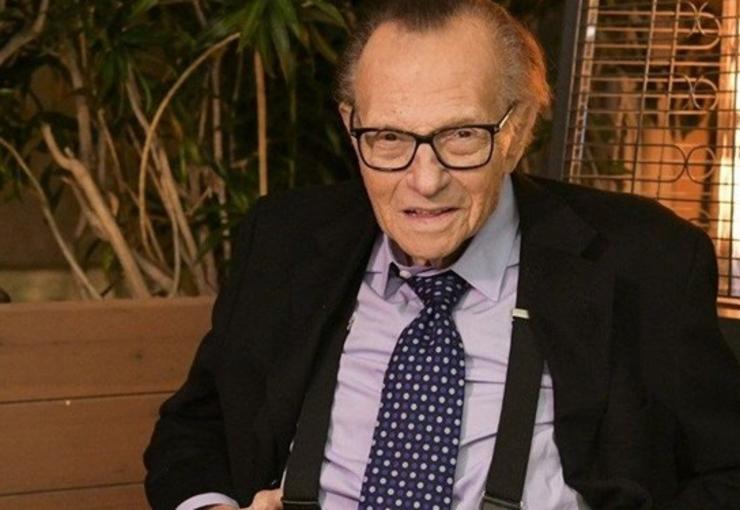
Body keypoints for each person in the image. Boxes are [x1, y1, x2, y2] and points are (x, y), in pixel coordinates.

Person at [144, 1, 740, 509]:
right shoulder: (283, 239)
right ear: (352, 125)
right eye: (389, 138)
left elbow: (727, 472)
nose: (424, 181)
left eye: (461, 135)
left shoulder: (647, 260)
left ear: (517, 129)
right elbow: (198, 427)